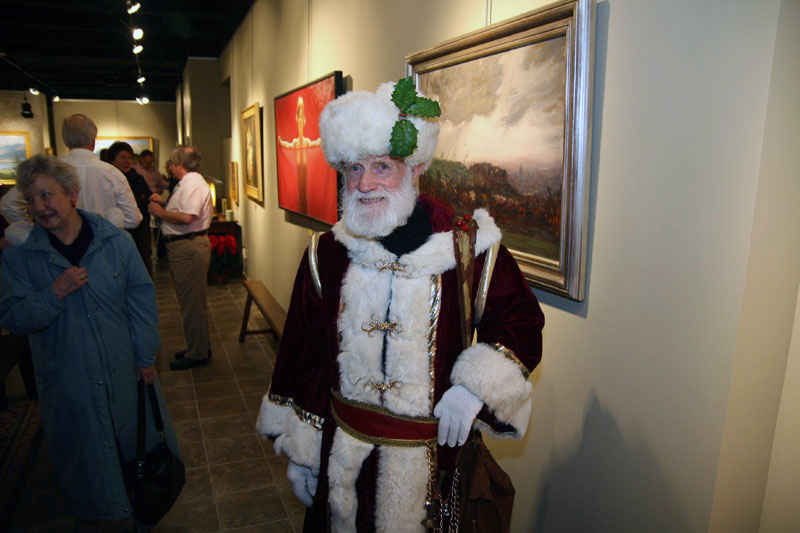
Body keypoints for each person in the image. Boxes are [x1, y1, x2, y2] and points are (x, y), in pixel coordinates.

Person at [256, 79, 545, 531]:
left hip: (434, 471)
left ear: (416, 167)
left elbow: (520, 323)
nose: (364, 183)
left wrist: (475, 389)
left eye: (381, 167)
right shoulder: (326, 254)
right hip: (343, 465)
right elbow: (302, 355)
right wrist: (302, 452)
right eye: (353, 168)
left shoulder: (468, 246)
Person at [0, 155, 179, 529]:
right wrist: (54, 294)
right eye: (30, 200)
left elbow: (141, 299)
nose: (39, 207)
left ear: (72, 194)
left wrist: (145, 355)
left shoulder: (114, 241)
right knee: (89, 466)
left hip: (124, 370)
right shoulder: (20, 257)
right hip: (69, 381)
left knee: (137, 454)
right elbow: (14, 317)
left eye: (46, 195)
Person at [148, 146, 213, 370]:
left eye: (171, 163)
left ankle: (197, 353)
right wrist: (166, 205)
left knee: (191, 304)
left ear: (181, 165)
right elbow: (185, 212)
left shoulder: (192, 183)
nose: (169, 167)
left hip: (188, 248)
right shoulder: (188, 183)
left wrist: (161, 212)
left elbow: (187, 217)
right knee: (193, 302)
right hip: (186, 247)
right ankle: (199, 346)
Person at [60, 114, 142, 229]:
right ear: (93, 140)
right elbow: (133, 219)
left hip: (60, 242)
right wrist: (110, 224)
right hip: (104, 241)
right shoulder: (112, 173)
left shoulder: (50, 171)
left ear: (65, 140)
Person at [108, 141, 153, 276]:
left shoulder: (137, 177)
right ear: (112, 159)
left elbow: (148, 196)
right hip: (119, 229)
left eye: (129, 158)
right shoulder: (110, 177)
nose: (127, 161)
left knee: (142, 264)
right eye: (122, 158)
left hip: (140, 228)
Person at [278, 96, 322, 214]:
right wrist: (279, 141)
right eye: (299, 116)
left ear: (305, 119)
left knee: (305, 199)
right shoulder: (295, 143)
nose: (301, 120)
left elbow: (317, 142)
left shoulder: (307, 142)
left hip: (306, 185)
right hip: (299, 184)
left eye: (302, 116)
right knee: (300, 199)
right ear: (296, 119)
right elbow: (286, 145)